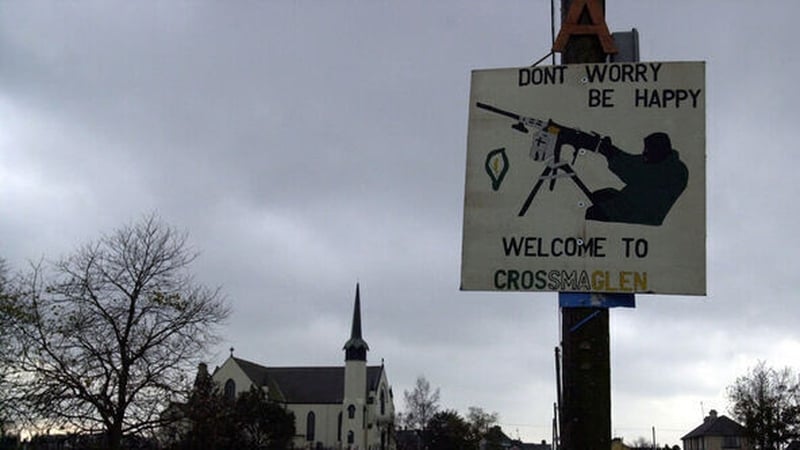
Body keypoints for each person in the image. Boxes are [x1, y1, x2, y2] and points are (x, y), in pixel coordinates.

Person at [585, 132, 688, 226]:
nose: (644, 152)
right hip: (634, 205)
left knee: (591, 212)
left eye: (648, 149)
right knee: (600, 195)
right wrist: (610, 149)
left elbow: (632, 173)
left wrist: (608, 152)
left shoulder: (671, 172)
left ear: (659, 150)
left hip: (638, 216)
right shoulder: (667, 163)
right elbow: (631, 161)